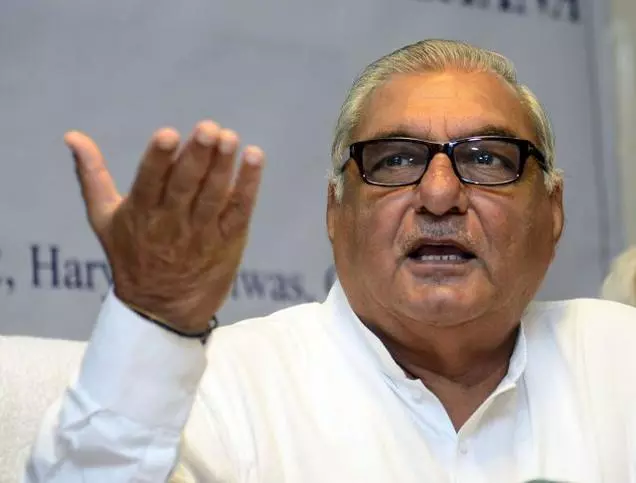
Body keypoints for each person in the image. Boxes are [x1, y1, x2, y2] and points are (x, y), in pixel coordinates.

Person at [24, 39, 636, 482]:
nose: (440, 193)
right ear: (335, 211)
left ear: (553, 210)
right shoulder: (219, 388)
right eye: (396, 160)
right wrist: (153, 320)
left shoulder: (617, 359)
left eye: (486, 158)